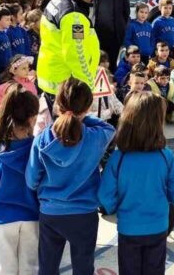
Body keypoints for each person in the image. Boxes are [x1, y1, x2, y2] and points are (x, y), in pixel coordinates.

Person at [25, 78, 115, 275]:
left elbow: (31, 180)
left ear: (57, 105)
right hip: (84, 213)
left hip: (51, 211)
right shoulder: (96, 137)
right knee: (83, 265)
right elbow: (110, 128)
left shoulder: (41, 140)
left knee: (47, 265)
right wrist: (82, 117)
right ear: (88, 107)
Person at [99, 92, 174, 275]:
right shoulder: (165, 156)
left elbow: (105, 197)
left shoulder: (119, 157)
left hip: (128, 228)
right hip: (158, 227)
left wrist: (117, 207)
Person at [0, 84, 41, 275]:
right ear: (32, 118)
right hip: (33, 219)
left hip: (1, 221)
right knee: (30, 270)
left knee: (5, 271)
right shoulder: (38, 152)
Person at [38, 0, 101, 103]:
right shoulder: (74, 16)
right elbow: (76, 53)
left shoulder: (58, 0)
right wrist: (88, 84)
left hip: (53, 77)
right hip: (67, 85)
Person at [92, 0, 130, 72]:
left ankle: (110, 85)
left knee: (112, 63)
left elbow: (126, 14)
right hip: (96, 35)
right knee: (96, 61)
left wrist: (121, 29)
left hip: (114, 36)